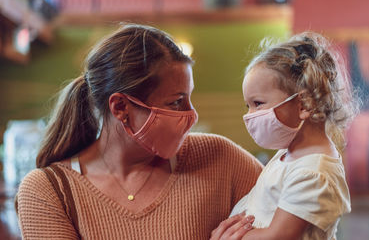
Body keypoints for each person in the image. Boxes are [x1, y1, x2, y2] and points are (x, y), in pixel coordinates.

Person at [15, 24, 263, 239]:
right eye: (176, 102)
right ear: (121, 107)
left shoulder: (221, 159)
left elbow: (296, 214)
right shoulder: (49, 191)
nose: (192, 114)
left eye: (189, 98)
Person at [211, 32, 358, 240]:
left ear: (304, 104)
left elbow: (278, 236)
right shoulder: (289, 153)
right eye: (248, 106)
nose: (248, 116)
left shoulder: (314, 173)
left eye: (258, 104)